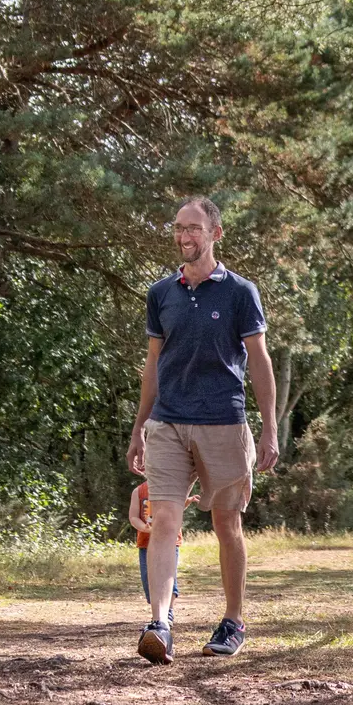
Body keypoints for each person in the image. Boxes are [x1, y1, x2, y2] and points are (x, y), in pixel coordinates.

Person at [127, 196, 278, 664]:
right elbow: (152, 366)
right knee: (164, 520)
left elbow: (259, 361)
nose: (183, 235)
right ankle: (160, 623)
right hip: (167, 421)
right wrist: (138, 428)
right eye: (177, 227)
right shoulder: (160, 294)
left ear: (215, 233)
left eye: (193, 227)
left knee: (226, 524)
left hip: (223, 422)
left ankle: (233, 620)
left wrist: (269, 427)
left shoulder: (239, 292)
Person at [127, 481, 184, 619]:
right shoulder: (139, 491)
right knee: (148, 577)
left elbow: (176, 512)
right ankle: (158, 612)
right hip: (146, 543)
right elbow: (133, 517)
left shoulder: (172, 487)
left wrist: (186, 502)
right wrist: (146, 528)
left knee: (168, 575)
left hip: (170, 541)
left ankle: (168, 612)